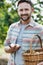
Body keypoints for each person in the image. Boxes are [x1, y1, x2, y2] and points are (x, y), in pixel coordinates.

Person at [4, 0, 43, 65]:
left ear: (32, 10)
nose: (23, 12)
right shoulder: (12, 27)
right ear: (18, 11)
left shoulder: (40, 29)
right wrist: (11, 49)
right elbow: (6, 47)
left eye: (26, 9)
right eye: (21, 10)